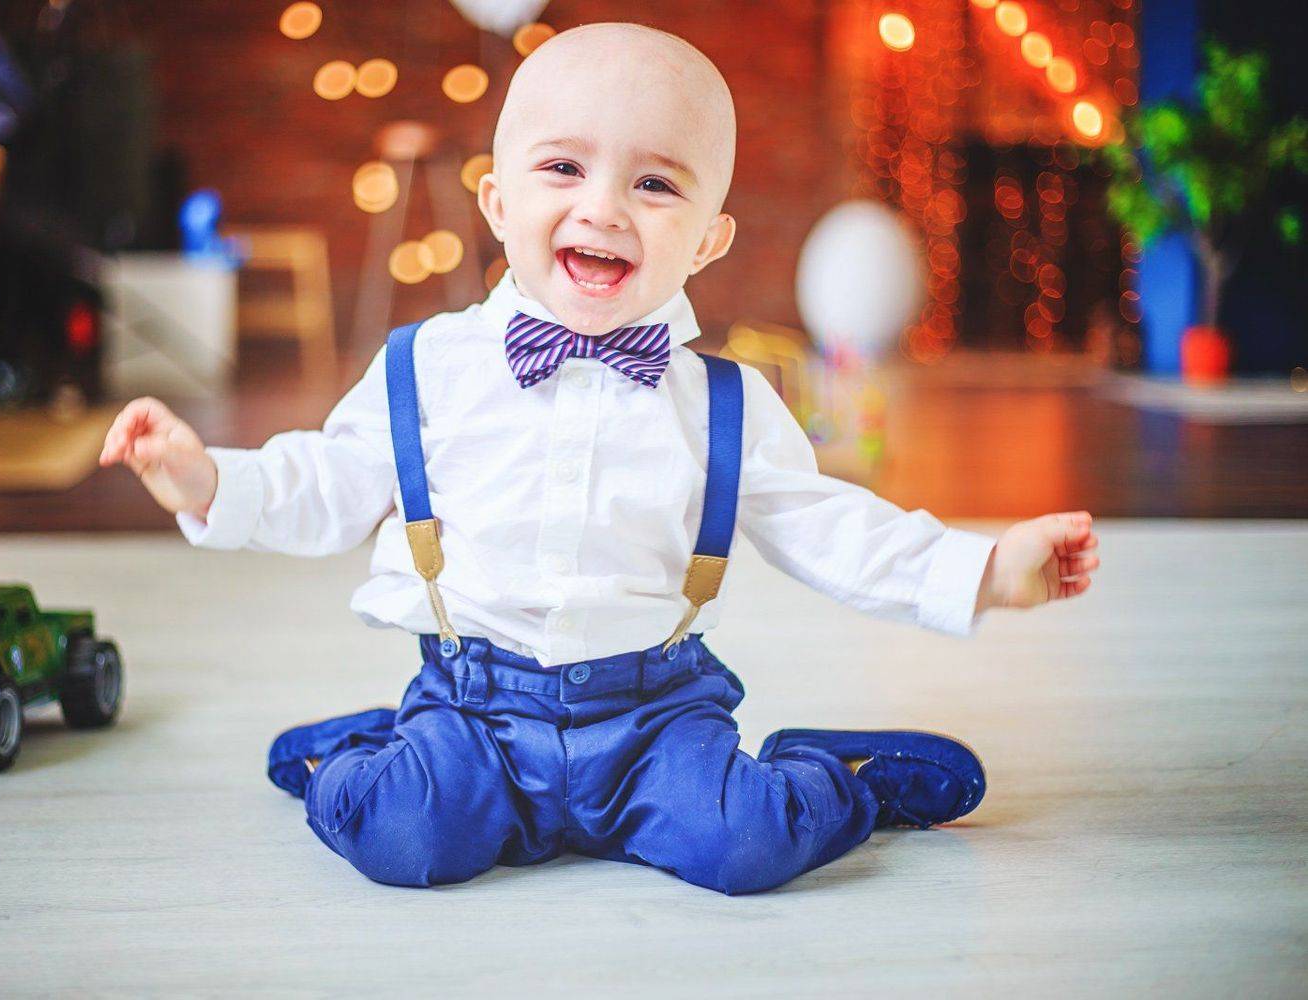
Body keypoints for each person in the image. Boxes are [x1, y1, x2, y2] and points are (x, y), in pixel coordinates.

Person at [99, 22, 1100, 895]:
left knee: (747, 845)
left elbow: (832, 528)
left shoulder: (724, 404)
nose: (605, 207)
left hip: (655, 716)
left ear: (707, 240)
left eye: (654, 183)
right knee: (400, 836)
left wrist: (981, 571)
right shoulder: (429, 367)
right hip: (474, 709)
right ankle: (359, 753)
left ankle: (843, 779)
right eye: (563, 169)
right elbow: (325, 482)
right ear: (497, 201)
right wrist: (208, 479)